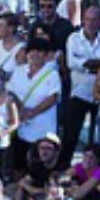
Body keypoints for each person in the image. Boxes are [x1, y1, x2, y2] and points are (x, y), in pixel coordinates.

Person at [6, 36, 61, 172]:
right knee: (19, 162)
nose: (35, 54)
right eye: (32, 51)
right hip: (21, 124)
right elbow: (11, 92)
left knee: (39, 163)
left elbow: (53, 98)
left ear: (46, 55)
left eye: (39, 51)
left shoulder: (52, 74)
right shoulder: (19, 71)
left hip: (43, 126)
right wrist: (20, 110)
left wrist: (32, 112)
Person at [62, 5, 100, 165]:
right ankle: (63, 166)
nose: (90, 23)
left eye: (94, 20)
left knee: (97, 139)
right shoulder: (73, 39)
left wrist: (88, 64)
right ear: (82, 20)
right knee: (70, 136)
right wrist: (94, 64)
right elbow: (72, 63)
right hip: (79, 93)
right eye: (87, 19)